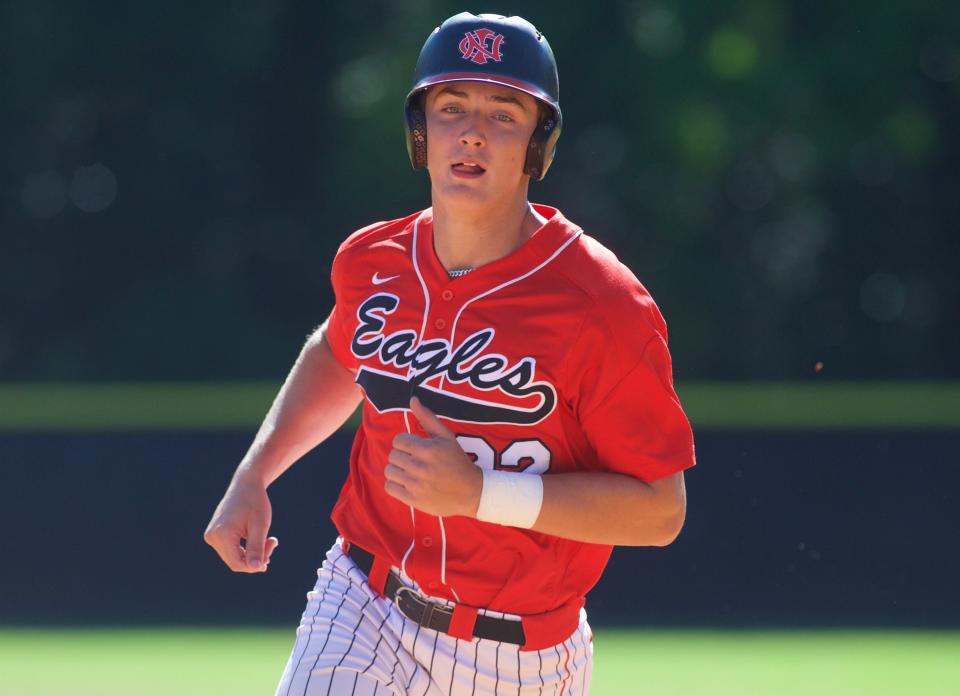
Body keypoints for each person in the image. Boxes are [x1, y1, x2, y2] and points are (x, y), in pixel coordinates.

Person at [204, 12, 695, 696]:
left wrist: (482, 495)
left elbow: (659, 511)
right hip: (365, 602)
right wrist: (257, 471)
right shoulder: (372, 260)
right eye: (450, 106)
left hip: (519, 653)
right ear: (420, 133)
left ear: (537, 144)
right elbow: (340, 349)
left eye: (504, 113)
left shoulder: (604, 305)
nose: (471, 131)